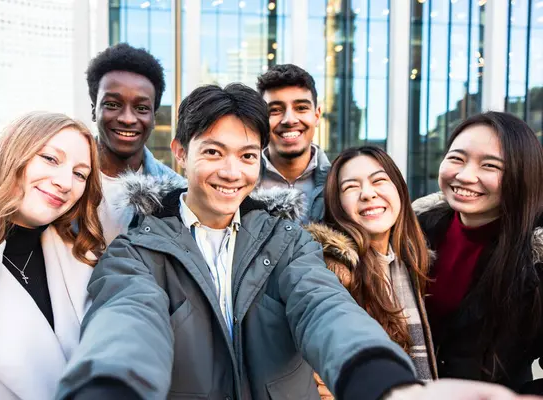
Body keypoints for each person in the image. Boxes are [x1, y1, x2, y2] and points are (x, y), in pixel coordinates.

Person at [57, 86, 527, 400]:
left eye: (245, 156)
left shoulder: (286, 241)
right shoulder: (137, 250)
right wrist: (107, 388)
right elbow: (127, 322)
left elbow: (323, 307)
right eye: (212, 153)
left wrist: (385, 384)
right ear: (180, 153)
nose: (231, 171)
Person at [0, 111, 105, 399]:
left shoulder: (87, 262)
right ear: (10, 154)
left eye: (80, 174)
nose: (65, 182)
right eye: (51, 159)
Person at [413, 112, 543, 394]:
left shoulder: (537, 255)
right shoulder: (415, 230)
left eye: (490, 165)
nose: (464, 175)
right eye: (457, 159)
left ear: (522, 175)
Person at [306, 146, 437, 399]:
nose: (367, 194)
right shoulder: (330, 271)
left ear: (399, 189)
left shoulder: (413, 260)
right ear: (337, 203)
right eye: (351, 187)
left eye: (379, 180)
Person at [87, 43, 183, 244]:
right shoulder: (62, 181)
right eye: (113, 105)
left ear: (154, 118)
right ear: (94, 111)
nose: (128, 119)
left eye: (141, 108)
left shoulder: (176, 193)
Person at [256, 64, 330, 223]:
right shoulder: (241, 183)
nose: (289, 119)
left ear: (316, 115)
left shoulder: (338, 184)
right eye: (275, 110)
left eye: (301, 108)